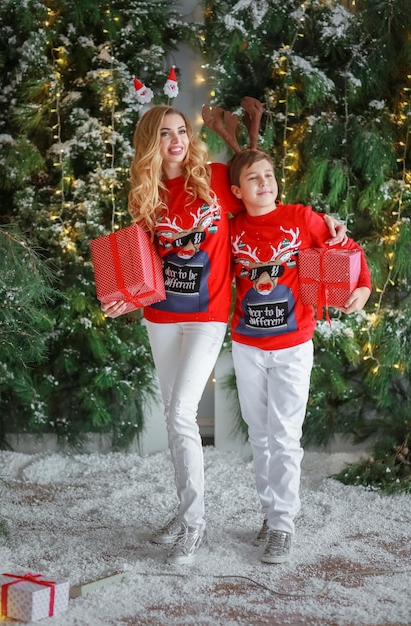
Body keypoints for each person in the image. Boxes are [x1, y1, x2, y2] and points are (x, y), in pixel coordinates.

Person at [101, 105, 347, 566]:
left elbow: (267, 206)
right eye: (164, 134)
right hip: (160, 315)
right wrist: (128, 297)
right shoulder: (144, 194)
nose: (175, 140)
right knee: (178, 422)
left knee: (180, 414)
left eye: (180, 130)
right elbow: (147, 261)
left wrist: (326, 224)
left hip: (208, 317)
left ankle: (196, 524)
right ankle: (184, 511)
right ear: (149, 144)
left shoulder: (214, 179)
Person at [227, 148, 371, 564]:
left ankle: (283, 526)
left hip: (292, 345)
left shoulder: (299, 218)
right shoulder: (232, 228)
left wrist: (361, 285)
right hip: (247, 345)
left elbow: (346, 246)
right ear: (238, 190)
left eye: (269, 175)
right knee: (259, 435)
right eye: (253, 178)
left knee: (285, 436)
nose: (265, 183)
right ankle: (271, 514)